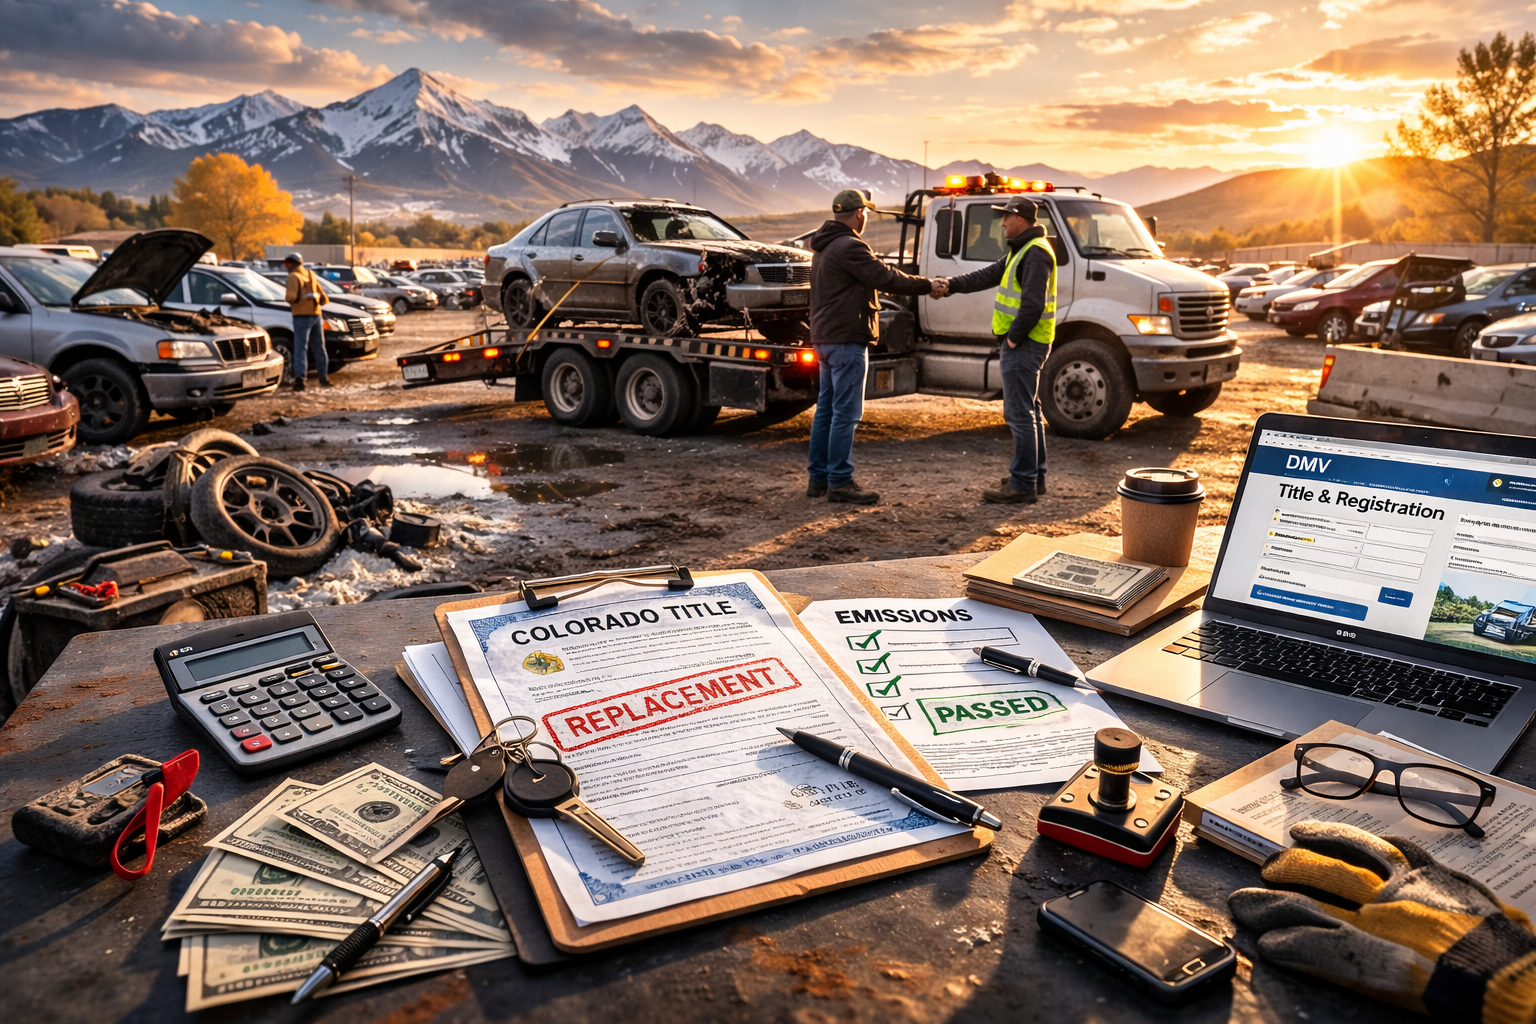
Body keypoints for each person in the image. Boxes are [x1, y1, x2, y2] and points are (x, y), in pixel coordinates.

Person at [807, 189, 942, 505]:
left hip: (825, 339)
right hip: (846, 340)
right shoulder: (850, 246)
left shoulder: (823, 247)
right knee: (846, 413)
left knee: (826, 409)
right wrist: (928, 285)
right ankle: (840, 481)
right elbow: (886, 277)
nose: (865, 216)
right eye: (865, 212)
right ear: (858, 214)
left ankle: (819, 479)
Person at [934, 195, 1056, 504]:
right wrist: (950, 284)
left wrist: (1013, 338)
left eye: (1006, 217)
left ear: (1021, 219)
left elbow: (1032, 304)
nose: (1002, 223)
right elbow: (986, 276)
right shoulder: (1023, 250)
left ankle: (1022, 483)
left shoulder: (1035, 253)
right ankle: (1033, 477)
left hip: (1025, 344)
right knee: (1030, 409)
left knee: (1019, 413)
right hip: (1028, 342)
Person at [282, 252, 330, 391]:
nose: (286, 267)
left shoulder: (293, 276)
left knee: (301, 349)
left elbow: (290, 297)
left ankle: (300, 381)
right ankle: (324, 378)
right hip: (316, 315)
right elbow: (324, 298)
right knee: (320, 348)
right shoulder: (311, 274)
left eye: (287, 264)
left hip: (301, 316)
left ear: (292, 264)